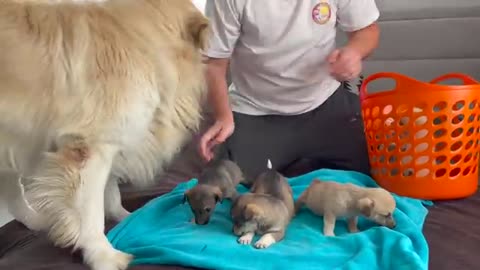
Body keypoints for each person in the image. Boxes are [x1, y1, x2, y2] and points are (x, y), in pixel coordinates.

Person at [199, 0, 380, 179]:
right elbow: (214, 62)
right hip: (256, 109)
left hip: (326, 101)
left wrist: (354, 51)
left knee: (375, 174)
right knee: (232, 188)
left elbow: (366, 30)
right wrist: (223, 116)